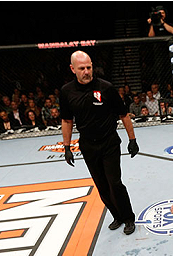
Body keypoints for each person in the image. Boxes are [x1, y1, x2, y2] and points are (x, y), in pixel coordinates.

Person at [60, 50, 139, 235]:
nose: (86, 71)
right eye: (82, 68)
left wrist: (132, 139)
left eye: (89, 67)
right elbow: (66, 120)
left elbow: (123, 114)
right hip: (88, 145)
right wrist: (66, 147)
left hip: (109, 142)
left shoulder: (106, 88)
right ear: (73, 69)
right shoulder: (66, 92)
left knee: (114, 182)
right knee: (101, 185)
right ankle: (117, 216)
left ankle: (128, 218)